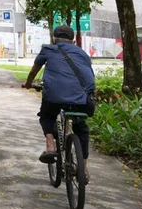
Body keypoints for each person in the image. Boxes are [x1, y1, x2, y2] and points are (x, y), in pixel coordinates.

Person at [22, 25, 96, 181]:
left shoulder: (48, 50)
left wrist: (28, 83)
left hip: (55, 96)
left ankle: (50, 146)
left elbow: (34, 71)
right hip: (81, 98)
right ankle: (84, 169)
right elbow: (89, 75)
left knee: (47, 116)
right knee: (81, 129)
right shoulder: (82, 54)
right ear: (73, 40)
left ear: (54, 38)